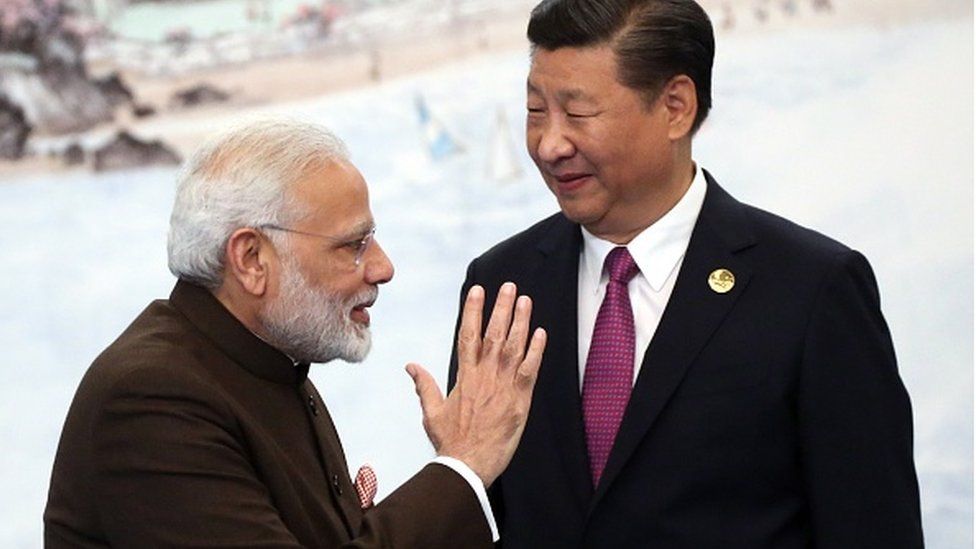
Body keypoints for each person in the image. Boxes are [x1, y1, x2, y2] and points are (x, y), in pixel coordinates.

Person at [448, 0, 923, 547]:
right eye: (535, 111)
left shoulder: (811, 290)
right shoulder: (503, 285)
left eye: (577, 114)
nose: (550, 144)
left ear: (675, 106)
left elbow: (873, 527)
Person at [44, 118, 547, 548]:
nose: (382, 267)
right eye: (353, 244)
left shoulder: (264, 364)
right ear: (251, 259)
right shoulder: (152, 398)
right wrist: (464, 464)